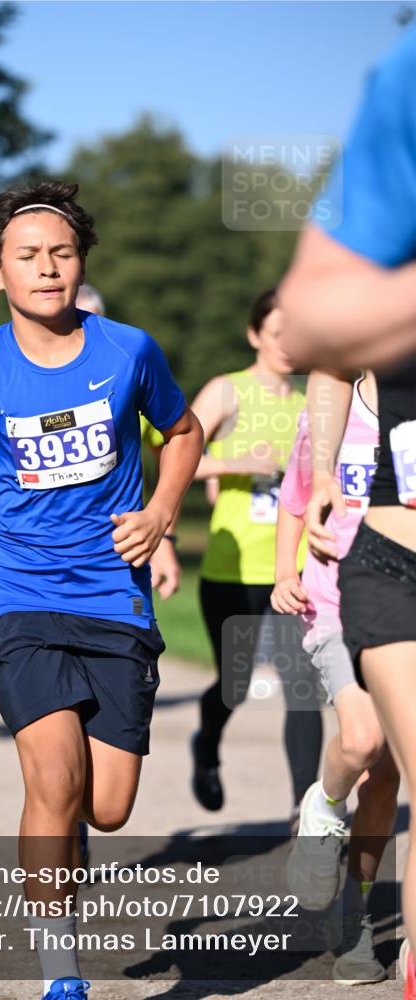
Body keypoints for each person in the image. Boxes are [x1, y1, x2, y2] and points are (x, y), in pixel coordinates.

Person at [0, 181, 203, 1000]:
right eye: (27, 256)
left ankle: (75, 841)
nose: (47, 268)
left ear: (80, 263)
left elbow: (184, 432)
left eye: (61, 253)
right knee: (51, 780)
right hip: (20, 598)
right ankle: (61, 972)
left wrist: (162, 510)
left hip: (113, 599)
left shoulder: (128, 351)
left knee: (112, 806)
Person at [281, 27, 416, 999]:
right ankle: (380, 934)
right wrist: (320, 470)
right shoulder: (405, 91)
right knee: (374, 752)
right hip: (379, 555)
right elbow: (321, 332)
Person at [272, 369, 399, 984]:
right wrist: (281, 573)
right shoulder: (329, 411)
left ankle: (356, 925)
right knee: (362, 739)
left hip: (403, 607)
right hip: (333, 602)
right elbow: (295, 499)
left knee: (384, 782)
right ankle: (322, 806)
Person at [189, 289, 322, 825]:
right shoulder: (228, 391)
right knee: (235, 683)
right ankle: (207, 745)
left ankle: (305, 808)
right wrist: (237, 461)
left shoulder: (316, 399)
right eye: (275, 335)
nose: (286, 347)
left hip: (297, 566)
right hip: (232, 564)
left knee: (302, 682)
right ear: (254, 335)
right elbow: (176, 458)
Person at [0, 282, 182, 597]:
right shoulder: (22, 406)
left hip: (112, 565)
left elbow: (177, 456)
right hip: (25, 568)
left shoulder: (131, 398)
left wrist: (163, 537)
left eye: (88, 323)